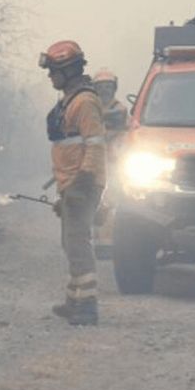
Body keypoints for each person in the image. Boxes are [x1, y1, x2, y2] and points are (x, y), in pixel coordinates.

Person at [38, 40, 106, 326]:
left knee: (78, 242)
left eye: (54, 70)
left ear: (68, 69)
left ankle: (87, 306)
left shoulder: (85, 101)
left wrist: (81, 183)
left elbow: (95, 145)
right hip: (71, 182)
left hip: (82, 182)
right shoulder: (70, 98)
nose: (50, 76)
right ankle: (74, 300)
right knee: (70, 242)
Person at [91, 68, 129, 258]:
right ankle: (97, 241)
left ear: (114, 88)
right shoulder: (89, 109)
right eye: (101, 87)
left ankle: (108, 243)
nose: (105, 90)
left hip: (115, 163)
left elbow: (121, 128)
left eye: (108, 86)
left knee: (112, 200)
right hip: (94, 162)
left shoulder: (119, 109)